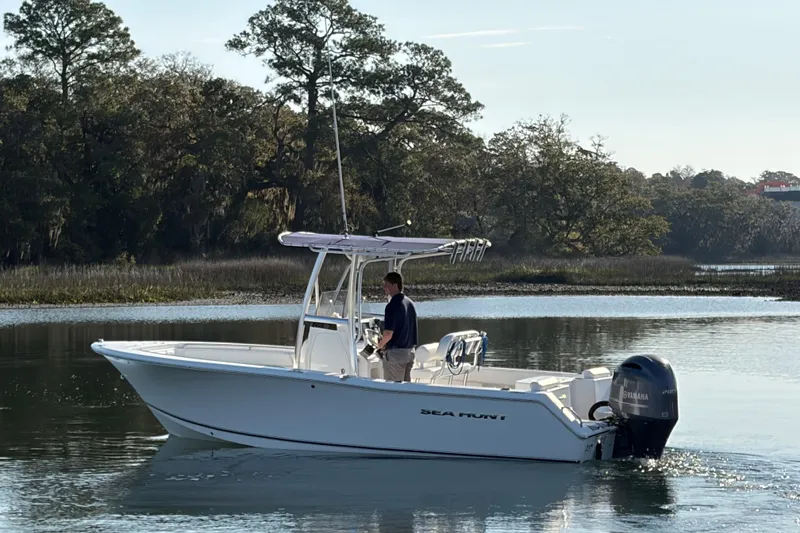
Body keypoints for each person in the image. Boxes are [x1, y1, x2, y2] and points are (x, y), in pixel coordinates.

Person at [375, 271, 418, 382]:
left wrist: (380, 345)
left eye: (387, 285)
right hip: (409, 352)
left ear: (395, 285)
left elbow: (388, 334)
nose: (384, 288)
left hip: (396, 355)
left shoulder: (392, 305)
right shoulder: (410, 303)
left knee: (393, 389)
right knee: (405, 389)